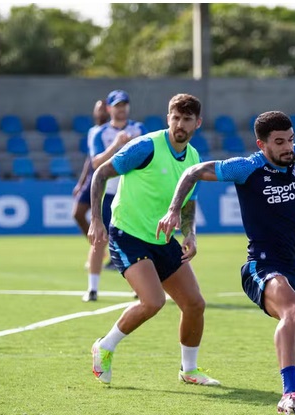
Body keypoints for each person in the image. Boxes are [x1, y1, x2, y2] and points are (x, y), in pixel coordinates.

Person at [157, 111, 295, 414]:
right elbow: (193, 172)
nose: (288, 147)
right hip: (262, 266)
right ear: (262, 144)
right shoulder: (246, 168)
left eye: (290, 139)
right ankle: (289, 393)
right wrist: (174, 210)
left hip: (294, 266)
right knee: (293, 312)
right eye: (279, 142)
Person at [88, 93, 220, 387]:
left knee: (195, 304)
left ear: (197, 123)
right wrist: (97, 219)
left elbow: (188, 203)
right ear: (168, 118)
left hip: (162, 239)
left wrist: (190, 234)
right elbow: (101, 173)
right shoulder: (146, 146)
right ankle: (105, 346)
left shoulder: (195, 158)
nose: (180, 125)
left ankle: (189, 370)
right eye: (175, 118)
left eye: (187, 119)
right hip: (128, 234)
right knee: (153, 301)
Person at [83, 90, 147, 302]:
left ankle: (140, 287)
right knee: (99, 240)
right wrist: (116, 145)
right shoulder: (99, 132)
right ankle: (92, 288)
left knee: (138, 240)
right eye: (117, 105)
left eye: (124, 104)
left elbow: (149, 157)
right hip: (107, 193)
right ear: (109, 108)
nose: (121, 109)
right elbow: (95, 163)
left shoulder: (138, 129)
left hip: (132, 194)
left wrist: (135, 145)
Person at [72, 99, 109, 269]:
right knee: (78, 213)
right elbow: (90, 159)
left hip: (108, 179)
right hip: (92, 179)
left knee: (109, 221)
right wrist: (81, 182)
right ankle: (98, 250)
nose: (100, 113)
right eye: (97, 110)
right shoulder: (93, 131)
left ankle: (104, 254)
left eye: (103, 109)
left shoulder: (110, 131)